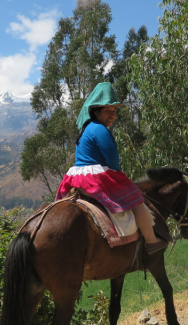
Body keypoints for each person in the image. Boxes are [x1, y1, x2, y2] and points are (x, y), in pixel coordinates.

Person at [56, 82, 167, 255]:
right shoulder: (100, 129)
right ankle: (152, 241)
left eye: (114, 111)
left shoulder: (87, 129)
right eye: (107, 111)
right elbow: (113, 160)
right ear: (96, 112)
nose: (112, 115)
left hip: (76, 177)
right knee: (135, 197)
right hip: (94, 176)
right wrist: (119, 176)